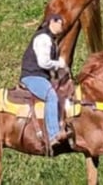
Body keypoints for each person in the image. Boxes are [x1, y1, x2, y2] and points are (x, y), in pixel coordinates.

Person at [20, 13, 71, 152]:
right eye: (61, 23)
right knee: (51, 96)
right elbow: (43, 62)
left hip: (41, 76)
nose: (62, 27)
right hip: (33, 76)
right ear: (52, 22)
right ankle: (53, 134)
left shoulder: (50, 40)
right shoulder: (43, 38)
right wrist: (59, 64)